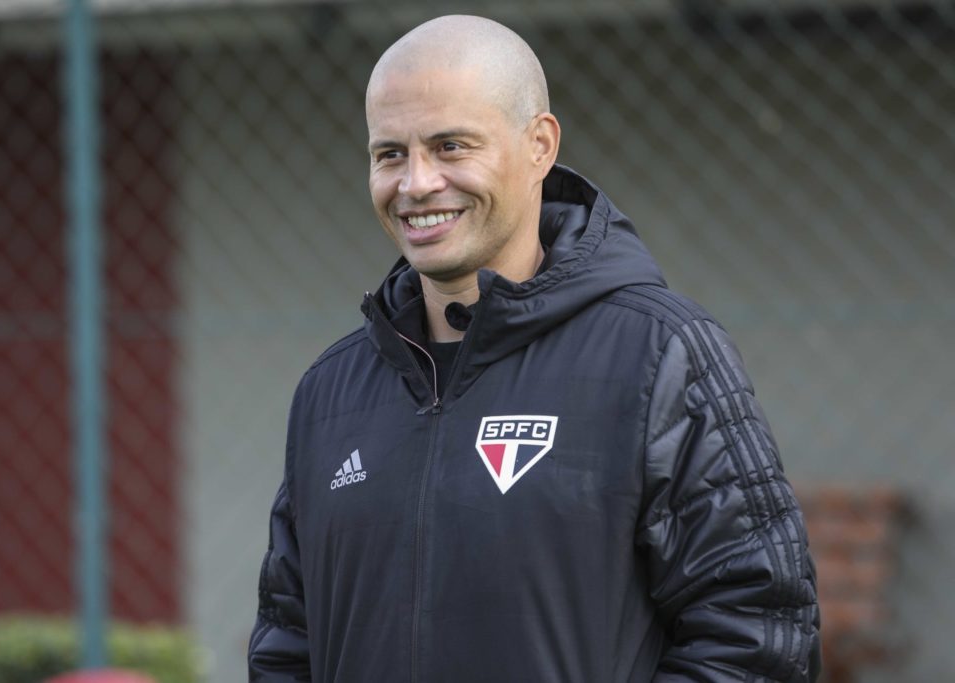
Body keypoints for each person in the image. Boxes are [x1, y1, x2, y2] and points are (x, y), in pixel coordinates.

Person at [249, 14, 821, 683]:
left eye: (452, 145)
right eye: (390, 154)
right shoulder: (329, 391)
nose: (417, 183)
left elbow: (758, 635)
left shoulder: (660, 354)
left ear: (539, 145)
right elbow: (289, 643)